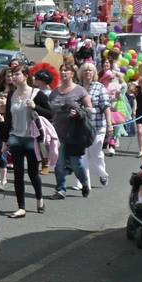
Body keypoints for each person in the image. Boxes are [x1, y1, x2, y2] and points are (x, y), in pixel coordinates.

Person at [3, 64, 51, 217]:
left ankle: (39, 198)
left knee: (32, 173)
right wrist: (5, 140)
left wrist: (35, 106)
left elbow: (51, 114)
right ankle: (21, 207)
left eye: (17, 74)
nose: (13, 77)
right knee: (17, 173)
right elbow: (8, 119)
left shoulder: (37, 94)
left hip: (32, 139)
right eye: (12, 74)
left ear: (25, 76)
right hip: (16, 138)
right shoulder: (12, 94)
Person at [48, 63, 93, 200]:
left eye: (66, 71)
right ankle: (61, 190)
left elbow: (90, 110)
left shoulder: (80, 91)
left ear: (72, 74)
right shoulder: (54, 92)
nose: (63, 73)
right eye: (61, 70)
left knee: (75, 163)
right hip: (57, 133)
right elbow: (49, 110)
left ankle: (84, 183)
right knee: (59, 162)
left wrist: (78, 112)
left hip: (74, 134)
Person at [78, 63, 113, 188]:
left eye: (90, 70)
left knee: (95, 154)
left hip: (97, 126)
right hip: (80, 127)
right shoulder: (77, 88)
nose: (88, 72)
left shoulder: (99, 87)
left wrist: (109, 124)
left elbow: (106, 106)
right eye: (85, 70)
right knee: (82, 154)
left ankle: (102, 174)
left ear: (94, 73)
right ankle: (84, 182)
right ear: (81, 73)